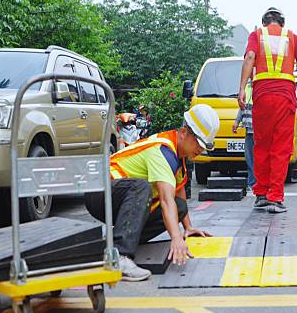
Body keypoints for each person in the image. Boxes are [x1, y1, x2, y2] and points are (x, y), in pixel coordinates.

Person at [85, 104, 220, 281]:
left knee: (179, 207)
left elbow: (178, 194)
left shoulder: (178, 159)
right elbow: (165, 200)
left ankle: (115, 242)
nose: (200, 150)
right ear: (183, 132)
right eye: (199, 143)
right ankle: (120, 256)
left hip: (120, 199)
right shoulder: (162, 152)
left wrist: (187, 228)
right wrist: (176, 238)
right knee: (142, 187)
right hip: (100, 191)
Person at [238, 7, 297, 214]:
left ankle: (261, 195)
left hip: (262, 95)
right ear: (282, 23)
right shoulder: (291, 37)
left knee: (261, 145)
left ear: (264, 23)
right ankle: (275, 198)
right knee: (280, 148)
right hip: (285, 96)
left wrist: (241, 89)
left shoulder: (257, 35)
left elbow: (249, 57)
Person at [233, 81, 256, 189]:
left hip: (260, 132)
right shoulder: (246, 87)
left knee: (258, 159)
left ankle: (258, 183)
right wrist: (237, 122)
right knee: (249, 158)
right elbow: (242, 108)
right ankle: (252, 183)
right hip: (249, 131)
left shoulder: (261, 87)